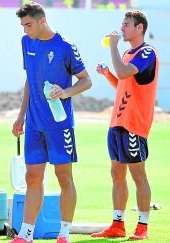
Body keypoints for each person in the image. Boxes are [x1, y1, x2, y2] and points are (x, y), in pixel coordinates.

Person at [11, 2, 92, 243]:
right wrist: (20, 115)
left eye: (28, 24)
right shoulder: (26, 43)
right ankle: (26, 234)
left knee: (64, 177)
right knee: (32, 177)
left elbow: (86, 80)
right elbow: (29, 79)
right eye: (23, 25)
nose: (25, 30)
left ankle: (64, 233)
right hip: (34, 124)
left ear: (42, 20)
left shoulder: (65, 47)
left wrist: (65, 92)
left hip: (59, 125)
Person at [91, 10, 158, 241]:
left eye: (127, 24)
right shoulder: (129, 54)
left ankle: (142, 227)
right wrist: (108, 74)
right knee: (116, 173)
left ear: (139, 28)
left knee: (138, 174)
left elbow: (124, 72)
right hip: (118, 122)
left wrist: (112, 46)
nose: (122, 28)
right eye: (122, 24)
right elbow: (122, 84)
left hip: (134, 124)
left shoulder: (146, 53)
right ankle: (117, 224)